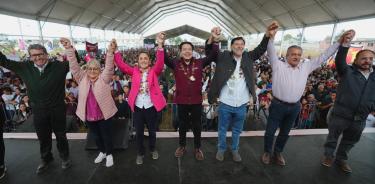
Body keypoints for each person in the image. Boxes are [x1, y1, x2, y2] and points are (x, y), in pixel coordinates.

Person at [260, 28, 354, 166]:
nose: (296, 56)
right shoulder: (277, 65)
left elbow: (324, 55)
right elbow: (271, 51)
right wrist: (271, 37)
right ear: (287, 55)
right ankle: (267, 152)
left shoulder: (306, 67)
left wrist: (339, 42)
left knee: (285, 133)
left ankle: (278, 152)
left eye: (299, 54)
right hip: (278, 105)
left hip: (295, 107)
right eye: (293, 54)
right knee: (270, 131)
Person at [207, 22, 278, 162]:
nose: (239, 46)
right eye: (236, 44)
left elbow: (261, 49)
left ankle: (234, 150)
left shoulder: (248, 57)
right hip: (225, 103)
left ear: (243, 47)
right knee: (222, 129)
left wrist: (267, 35)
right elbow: (210, 53)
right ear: (231, 46)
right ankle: (221, 149)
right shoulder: (223, 57)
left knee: (237, 131)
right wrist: (213, 38)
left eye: (241, 44)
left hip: (241, 104)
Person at [0, 44, 71, 174]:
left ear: (46, 54)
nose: (38, 57)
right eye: (34, 55)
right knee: (43, 137)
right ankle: (46, 159)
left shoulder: (59, 66)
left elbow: (74, 62)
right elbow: (4, 61)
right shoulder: (24, 67)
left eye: (40, 54)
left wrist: (70, 48)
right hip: (38, 110)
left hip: (57, 109)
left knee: (61, 135)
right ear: (30, 57)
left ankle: (65, 158)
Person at [321, 30, 375, 173]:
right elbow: (339, 60)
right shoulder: (347, 72)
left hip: (360, 118)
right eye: (364, 58)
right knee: (332, 138)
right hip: (341, 115)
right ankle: (328, 156)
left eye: (370, 58)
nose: (367, 61)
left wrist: (371, 107)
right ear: (356, 60)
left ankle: (341, 159)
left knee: (350, 141)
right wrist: (345, 43)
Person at [61, 37, 118, 167]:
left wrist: (110, 52)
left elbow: (109, 67)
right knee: (96, 136)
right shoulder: (81, 78)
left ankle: (109, 154)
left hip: (104, 114)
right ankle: (102, 152)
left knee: (106, 135)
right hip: (89, 115)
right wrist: (69, 49)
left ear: (99, 70)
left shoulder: (104, 78)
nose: (92, 71)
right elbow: (74, 67)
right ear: (86, 70)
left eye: (95, 69)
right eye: (90, 69)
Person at [165, 27, 220, 161]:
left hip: (196, 101)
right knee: (182, 124)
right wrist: (160, 44)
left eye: (189, 49)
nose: (187, 51)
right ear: (180, 51)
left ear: (192, 51)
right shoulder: (176, 63)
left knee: (197, 125)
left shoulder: (200, 62)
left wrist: (215, 40)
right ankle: (182, 146)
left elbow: (213, 55)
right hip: (181, 101)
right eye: (184, 49)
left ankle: (197, 148)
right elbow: (165, 59)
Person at [114, 33, 166, 165]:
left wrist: (160, 45)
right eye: (141, 58)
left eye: (146, 58)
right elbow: (121, 65)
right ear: (138, 61)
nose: (143, 60)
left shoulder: (154, 71)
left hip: (150, 107)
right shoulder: (134, 72)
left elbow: (160, 63)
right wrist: (116, 50)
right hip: (137, 108)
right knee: (139, 133)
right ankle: (140, 153)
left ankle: (153, 149)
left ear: (149, 61)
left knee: (153, 131)